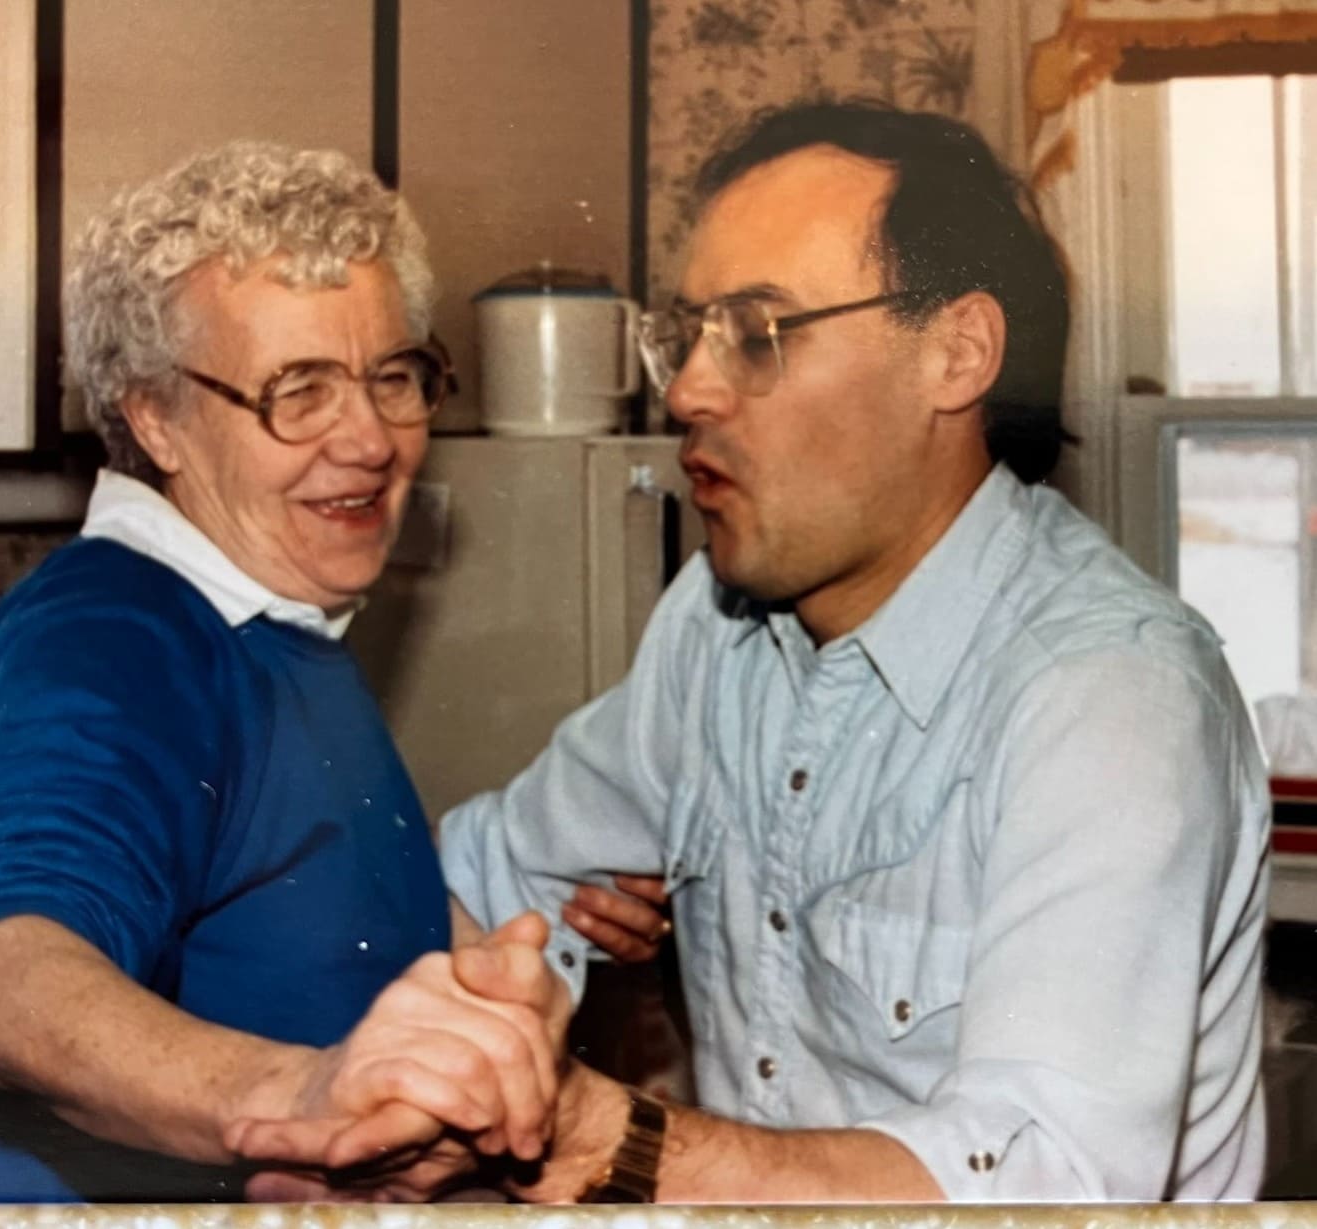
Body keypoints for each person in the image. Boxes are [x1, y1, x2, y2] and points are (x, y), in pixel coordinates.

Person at [232, 98, 1270, 1202]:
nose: (685, 389)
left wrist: (598, 1133)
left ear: (957, 353)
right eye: (688, 333)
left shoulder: (1112, 697)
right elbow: (505, 871)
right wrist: (435, 1032)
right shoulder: (719, 619)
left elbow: (1053, 1179)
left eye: (758, 332)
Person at [0, 141, 567, 1203]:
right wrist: (305, 1097)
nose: (369, 438)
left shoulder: (276, 623)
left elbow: (290, 894)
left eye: (393, 376)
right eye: (297, 391)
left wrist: (487, 997)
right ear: (155, 416)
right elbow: (11, 987)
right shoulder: (114, 640)